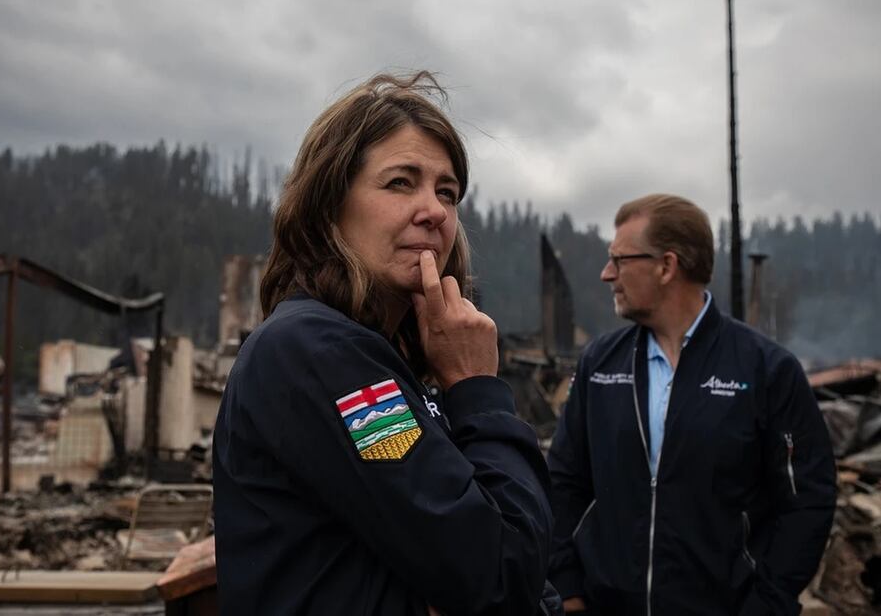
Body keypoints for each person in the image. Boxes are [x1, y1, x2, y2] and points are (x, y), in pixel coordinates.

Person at [213, 72, 557, 615]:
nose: (434, 211)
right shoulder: (321, 351)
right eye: (400, 182)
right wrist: (478, 389)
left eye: (447, 192)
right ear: (329, 204)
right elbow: (499, 571)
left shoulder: (382, 357)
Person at [548, 194, 836, 615]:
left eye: (620, 260)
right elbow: (563, 481)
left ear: (666, 266)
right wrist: (566, 584)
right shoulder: (600, 364)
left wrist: (767, 603)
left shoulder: (766, 370)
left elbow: (806, 501)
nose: (607, 273)